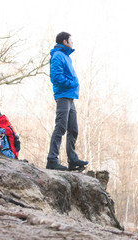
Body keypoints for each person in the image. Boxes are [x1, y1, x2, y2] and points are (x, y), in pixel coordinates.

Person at [46, 32, 88, 171]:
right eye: (71, 40)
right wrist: (71, 83)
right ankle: (52, 159)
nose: (72, 43)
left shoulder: (66, 56)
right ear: (65, 41)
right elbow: (56, 77)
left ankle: (72, 159)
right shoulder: (58, 56)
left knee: (73, 129)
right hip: (63, 96)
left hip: (70, 96)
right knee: (61, 127)